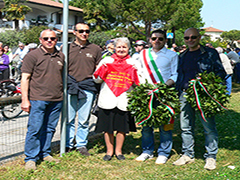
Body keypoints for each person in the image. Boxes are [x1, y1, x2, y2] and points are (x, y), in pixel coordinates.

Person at [173, 28, 226, 170]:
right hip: (185, 94)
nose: (190, 40)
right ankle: (187, 154)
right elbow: (179, 75)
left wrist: (208, 83)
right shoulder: (182, 55)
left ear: (199, 38)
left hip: (203, 94)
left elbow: (221, 72)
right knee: (185, 127)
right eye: (187, 38)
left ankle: (210, 156)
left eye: (193, 37)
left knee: (208, 126)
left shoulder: (210, 53)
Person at [21, 29, 65, 170]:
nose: (49, 41)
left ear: (56, 40)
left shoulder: (61, 56)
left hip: (56, 99)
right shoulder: (32, 56)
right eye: (46, 38)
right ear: (40, 40)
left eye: (52, 38)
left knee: (50, 128)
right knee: (34, 128)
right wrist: (24, 99)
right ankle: (31, 158)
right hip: (38, 98)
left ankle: (45, 153)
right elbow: (25, 78)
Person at [135, 29, 178, 164]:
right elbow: (138, 71)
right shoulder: (143, 54)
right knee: (146, 125)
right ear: (150, 40)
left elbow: (175, 74)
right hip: (146, 93)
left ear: (165, 40)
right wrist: (143, 87)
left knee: (165, 125)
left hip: (164, 92)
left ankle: (164, 152)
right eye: (154, 39)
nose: (157, 41)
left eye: (160, 39)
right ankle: (147, 151)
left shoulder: (172, 55)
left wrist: (164, 87)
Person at [93, 37, 140, 161]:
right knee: (107, 128)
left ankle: (118, 151)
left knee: (121, 127)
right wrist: (102, 72)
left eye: (124, 47)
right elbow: (96, 79)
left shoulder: (133, 63)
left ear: (128, 49)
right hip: (108, 98)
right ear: (114, 48)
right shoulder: (106, 60)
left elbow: (139, 82)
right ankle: (109, 151)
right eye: (119, 47)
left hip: (124, 99)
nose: (121, 49)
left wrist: (135, 75)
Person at [66, 22, 102, 156]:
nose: (84, 33)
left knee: (83, 119)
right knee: (68, 119)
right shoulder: (67, 47)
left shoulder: (95, 49)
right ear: (74, 32)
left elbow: (99, 68)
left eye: (87, 31)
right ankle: (68, 144)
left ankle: (81, 145)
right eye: (80, 31)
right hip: (70, 86)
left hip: (88, 87)